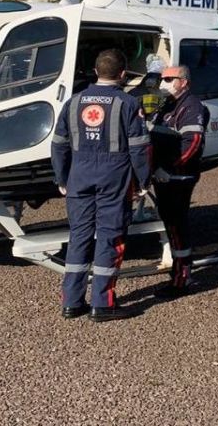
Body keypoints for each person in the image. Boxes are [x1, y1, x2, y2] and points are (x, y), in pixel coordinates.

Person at [51, 48, 152, 322]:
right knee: (110, 236)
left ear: (96, 71)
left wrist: (61, 178)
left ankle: (71, 302)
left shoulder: (72, 103)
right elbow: (140, 148)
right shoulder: (128, 104)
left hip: (79, 176)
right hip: (113, 177)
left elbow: (59, 145)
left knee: (79, 236)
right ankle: (102, 303)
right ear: (122, 74)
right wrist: (143, 180)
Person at [149, 65, 210, 298]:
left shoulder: (191, 106)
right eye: (162, 79)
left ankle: (181, 278)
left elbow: (192, 142)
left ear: (183, 81)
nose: (163, 83)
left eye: (168, 79)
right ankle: (178, 271)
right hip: (164, 176)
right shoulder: (167, 104)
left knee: (177, 226)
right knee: (170, 223)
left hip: (179, 176)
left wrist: (170, 167)